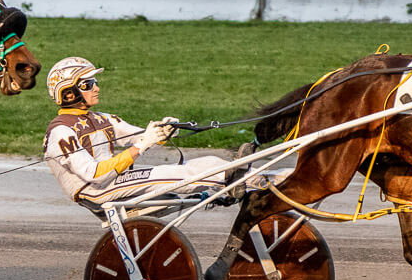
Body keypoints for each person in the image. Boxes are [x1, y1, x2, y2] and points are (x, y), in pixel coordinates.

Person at [43, 56, 255, 211]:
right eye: (88, 85)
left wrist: (163, 132)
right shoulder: (61, 131)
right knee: (179, 175)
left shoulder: (103, 118)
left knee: (207, 162)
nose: (96, 88)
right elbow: (93, 174)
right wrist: (142, 145)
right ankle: (249, 183)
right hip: (97, 189)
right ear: (69, 93)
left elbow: (138, 135)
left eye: (95, 83)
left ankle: (245, 177)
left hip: (116, 181)